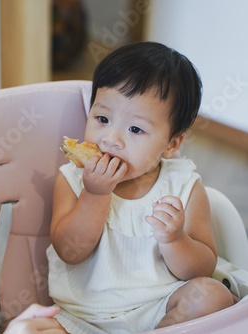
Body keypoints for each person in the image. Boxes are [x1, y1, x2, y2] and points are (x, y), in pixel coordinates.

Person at [47, 42, 235, 333]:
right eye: (102, 119)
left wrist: (175, 240)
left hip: (158, 311)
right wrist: (95, 194)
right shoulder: (72, 179)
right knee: (23, 327)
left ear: (171, 145)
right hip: (81, 318)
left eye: (135, 129)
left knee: (213, 295)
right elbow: (69, 252)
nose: (111, 138)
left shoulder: (183, 186)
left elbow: (202, 270)